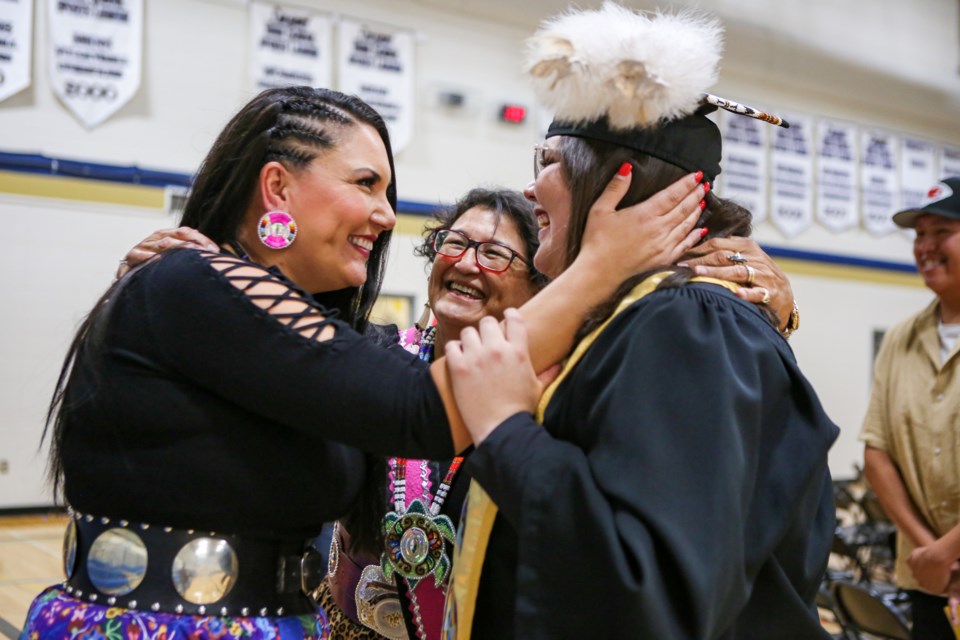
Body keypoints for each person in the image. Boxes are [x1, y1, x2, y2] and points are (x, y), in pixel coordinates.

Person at [21, 85, 709, 639]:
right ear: (278, 190)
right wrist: (604, 264)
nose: (386, 216)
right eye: (365, 183)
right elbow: (423, 408)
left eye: (389, 193)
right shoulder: (194, 280)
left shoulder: (313, 334)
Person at [117, 185, 796, 640]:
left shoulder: (557, 390)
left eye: (498, 252)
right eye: (455, 242)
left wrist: (771, 308)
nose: (468, 262)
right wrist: (184, 282)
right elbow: (267, 354)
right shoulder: (373, 356)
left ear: (543, 282)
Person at [440, 6, 838, 639]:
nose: (530, 185)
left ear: (615, 184)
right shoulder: (650, 316)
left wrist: (506, 427)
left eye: (546, 159)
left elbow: (652, 594)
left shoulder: (687, 322)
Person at [861, 176, 960, 640]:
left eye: (942, 233)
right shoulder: (901, 338)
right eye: (919, 235)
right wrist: (930, 553)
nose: (925, 247)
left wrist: (948, 552)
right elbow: (877, 452)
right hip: (924, 578)